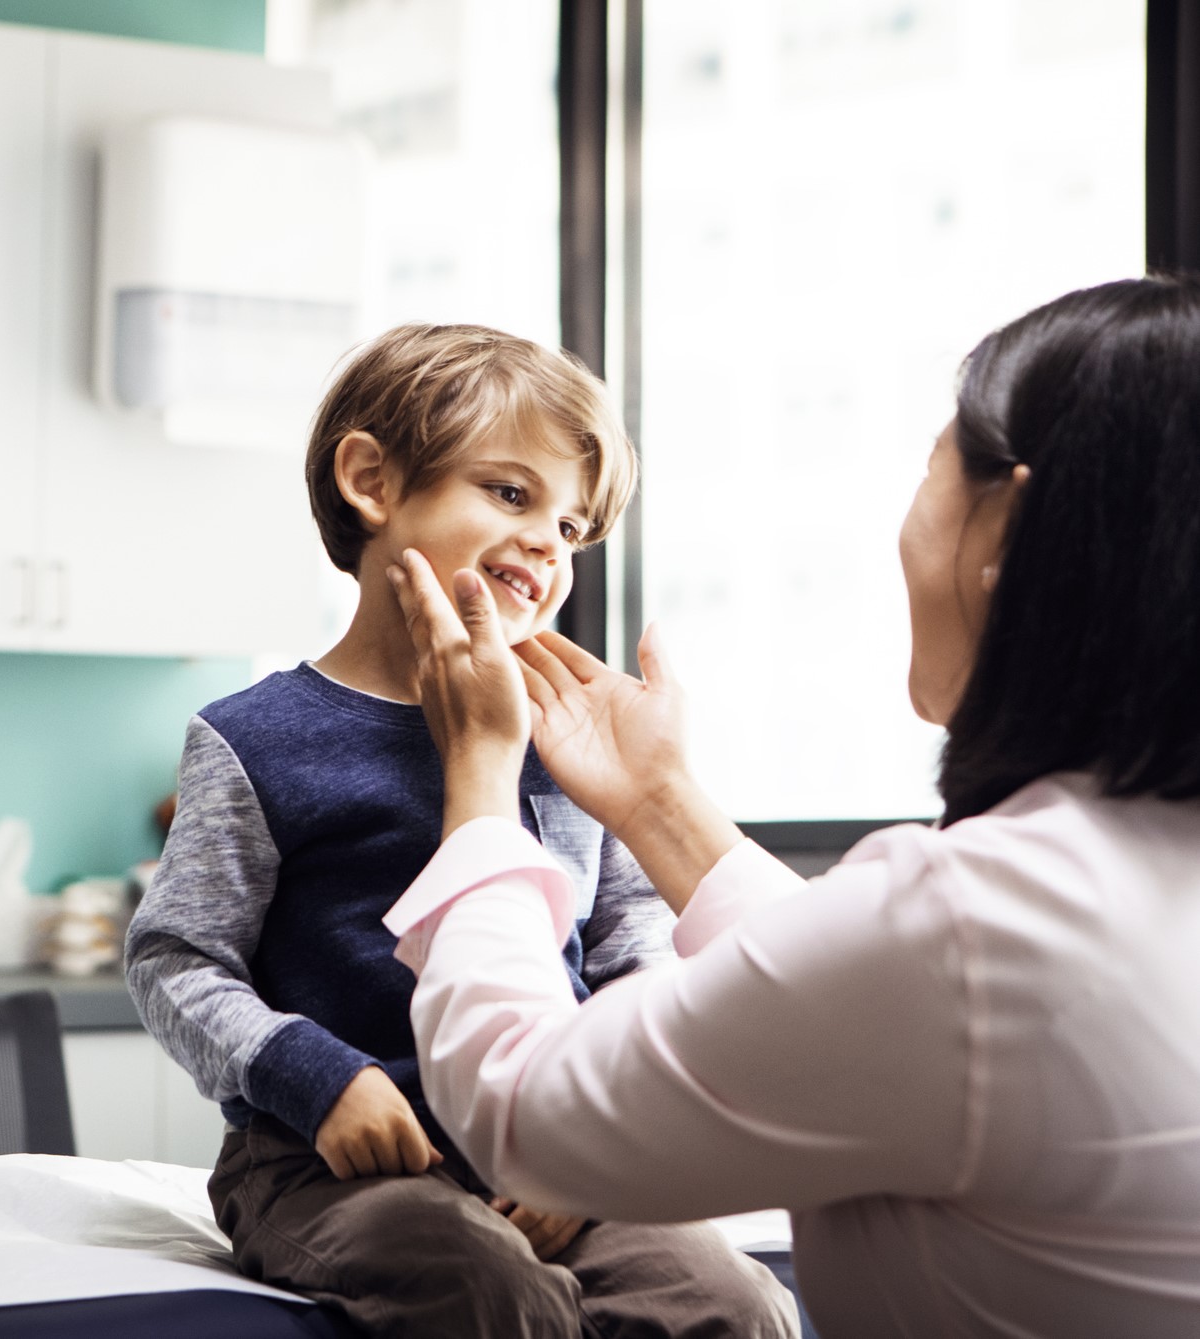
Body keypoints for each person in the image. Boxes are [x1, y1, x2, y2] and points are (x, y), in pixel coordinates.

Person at [380, 276, 1200, 1338]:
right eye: (507, 494)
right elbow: (861, 994)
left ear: (1004, 516)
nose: (544, 545)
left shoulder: (975, 917)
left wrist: (481, 776)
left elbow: (523, 1110)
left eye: (928, 473)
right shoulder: (1083, 887)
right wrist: (658, 801)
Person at [126, 324, 798, 1337]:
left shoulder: (566, 744)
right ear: (370, 480)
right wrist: (316, 1078)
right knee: (485, 1284)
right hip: (320, 1156)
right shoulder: (251, 737)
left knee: (727, 1299)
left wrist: (602, 1138)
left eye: (571, 527)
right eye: (511, 494)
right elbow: (175, 958)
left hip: (546, 1142)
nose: (546, 542)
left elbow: (631, 944)